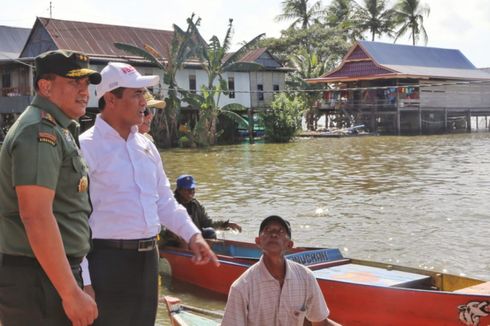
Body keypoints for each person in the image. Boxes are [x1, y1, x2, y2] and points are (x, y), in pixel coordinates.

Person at [79, 62, 218, 326]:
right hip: (106, 259)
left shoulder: (146, 146)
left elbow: (164, 201)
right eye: (137, 94)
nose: (144, 101)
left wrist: (193, 235)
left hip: (147, 257)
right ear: (110, 98)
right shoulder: (86, 146)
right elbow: (73, 221)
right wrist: (84, 281)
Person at [0, 50, 101, 325]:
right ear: (45, 86)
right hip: (37, 280)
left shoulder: (59, 128)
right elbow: (36, 216)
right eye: (74, 83)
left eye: (86, 84)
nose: (84, 92)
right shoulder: (38, 132)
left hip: (51, 274)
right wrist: (70, 292)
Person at [222, 215, 341, 326]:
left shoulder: (305, 277)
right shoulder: (241, 287)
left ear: (289, 245)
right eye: (268, 230)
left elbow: (320, 322)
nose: (274, 235)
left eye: (280, 231)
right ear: (258, 242)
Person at [162, 174, 241, 243]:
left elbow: (208, 223)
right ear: (179, 190)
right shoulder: (170, 204)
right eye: (188, 189)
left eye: (193, 189)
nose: (192, 192)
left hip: (193, 237)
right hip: (176, 240)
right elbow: (163, 227)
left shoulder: (195, 204)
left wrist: (226, 225)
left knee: (210, 232)